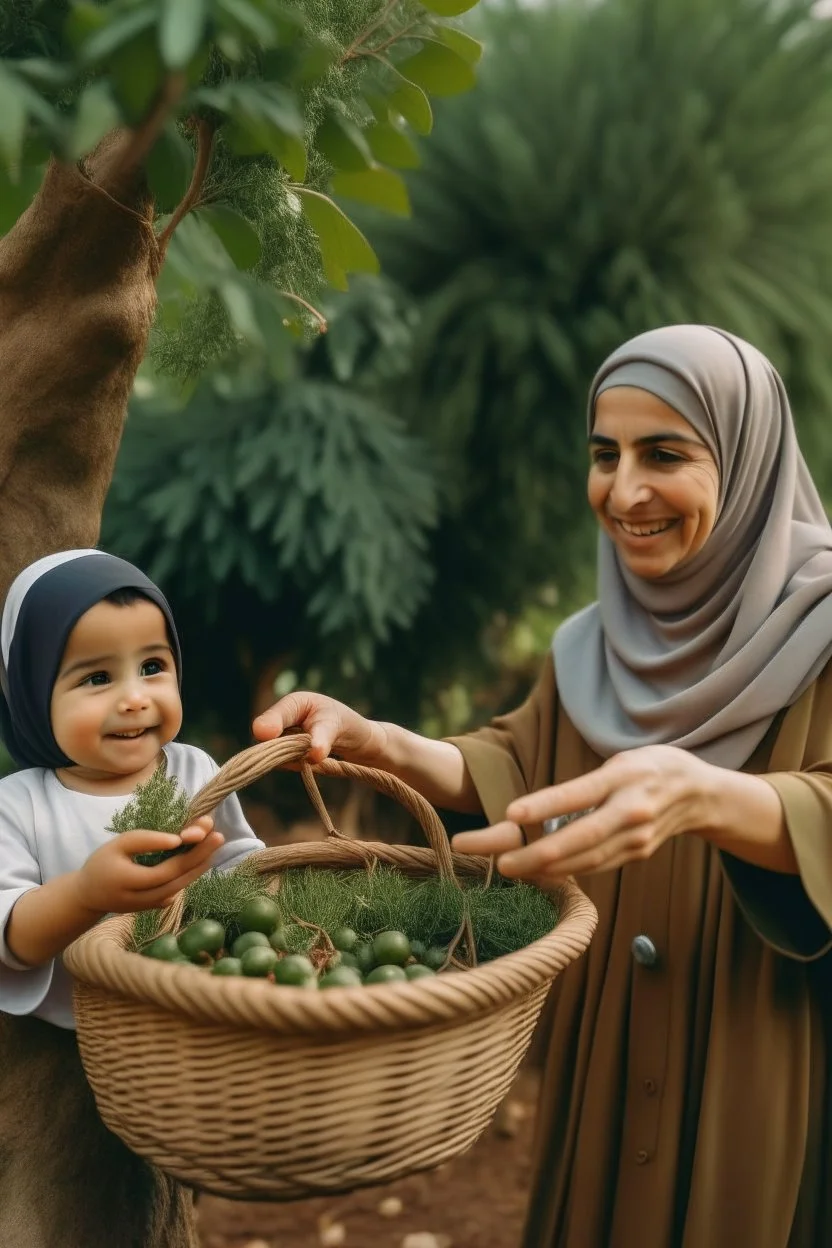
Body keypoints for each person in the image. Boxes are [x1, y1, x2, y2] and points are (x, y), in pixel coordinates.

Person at [253, 325, 832, 1248]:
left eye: (667, 454)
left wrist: (708, 798)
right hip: (612, 1034)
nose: (624, 489)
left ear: (750, 462)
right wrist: (388, 744)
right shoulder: (595, 646)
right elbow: (522, 768)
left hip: (762, 1043)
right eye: (606, 454)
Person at [0, 548, 265, 1248]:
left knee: (156, 1203)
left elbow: (240, 860)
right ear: (30, 694)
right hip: (60, 1062)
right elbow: (13, 933)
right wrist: (87, 893)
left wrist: (266, 905)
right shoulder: (21, 804)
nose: (135, 697)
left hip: (181, 1040)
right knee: (66, 1207)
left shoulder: (190, 771)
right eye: (95, 677)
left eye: (153, 665)